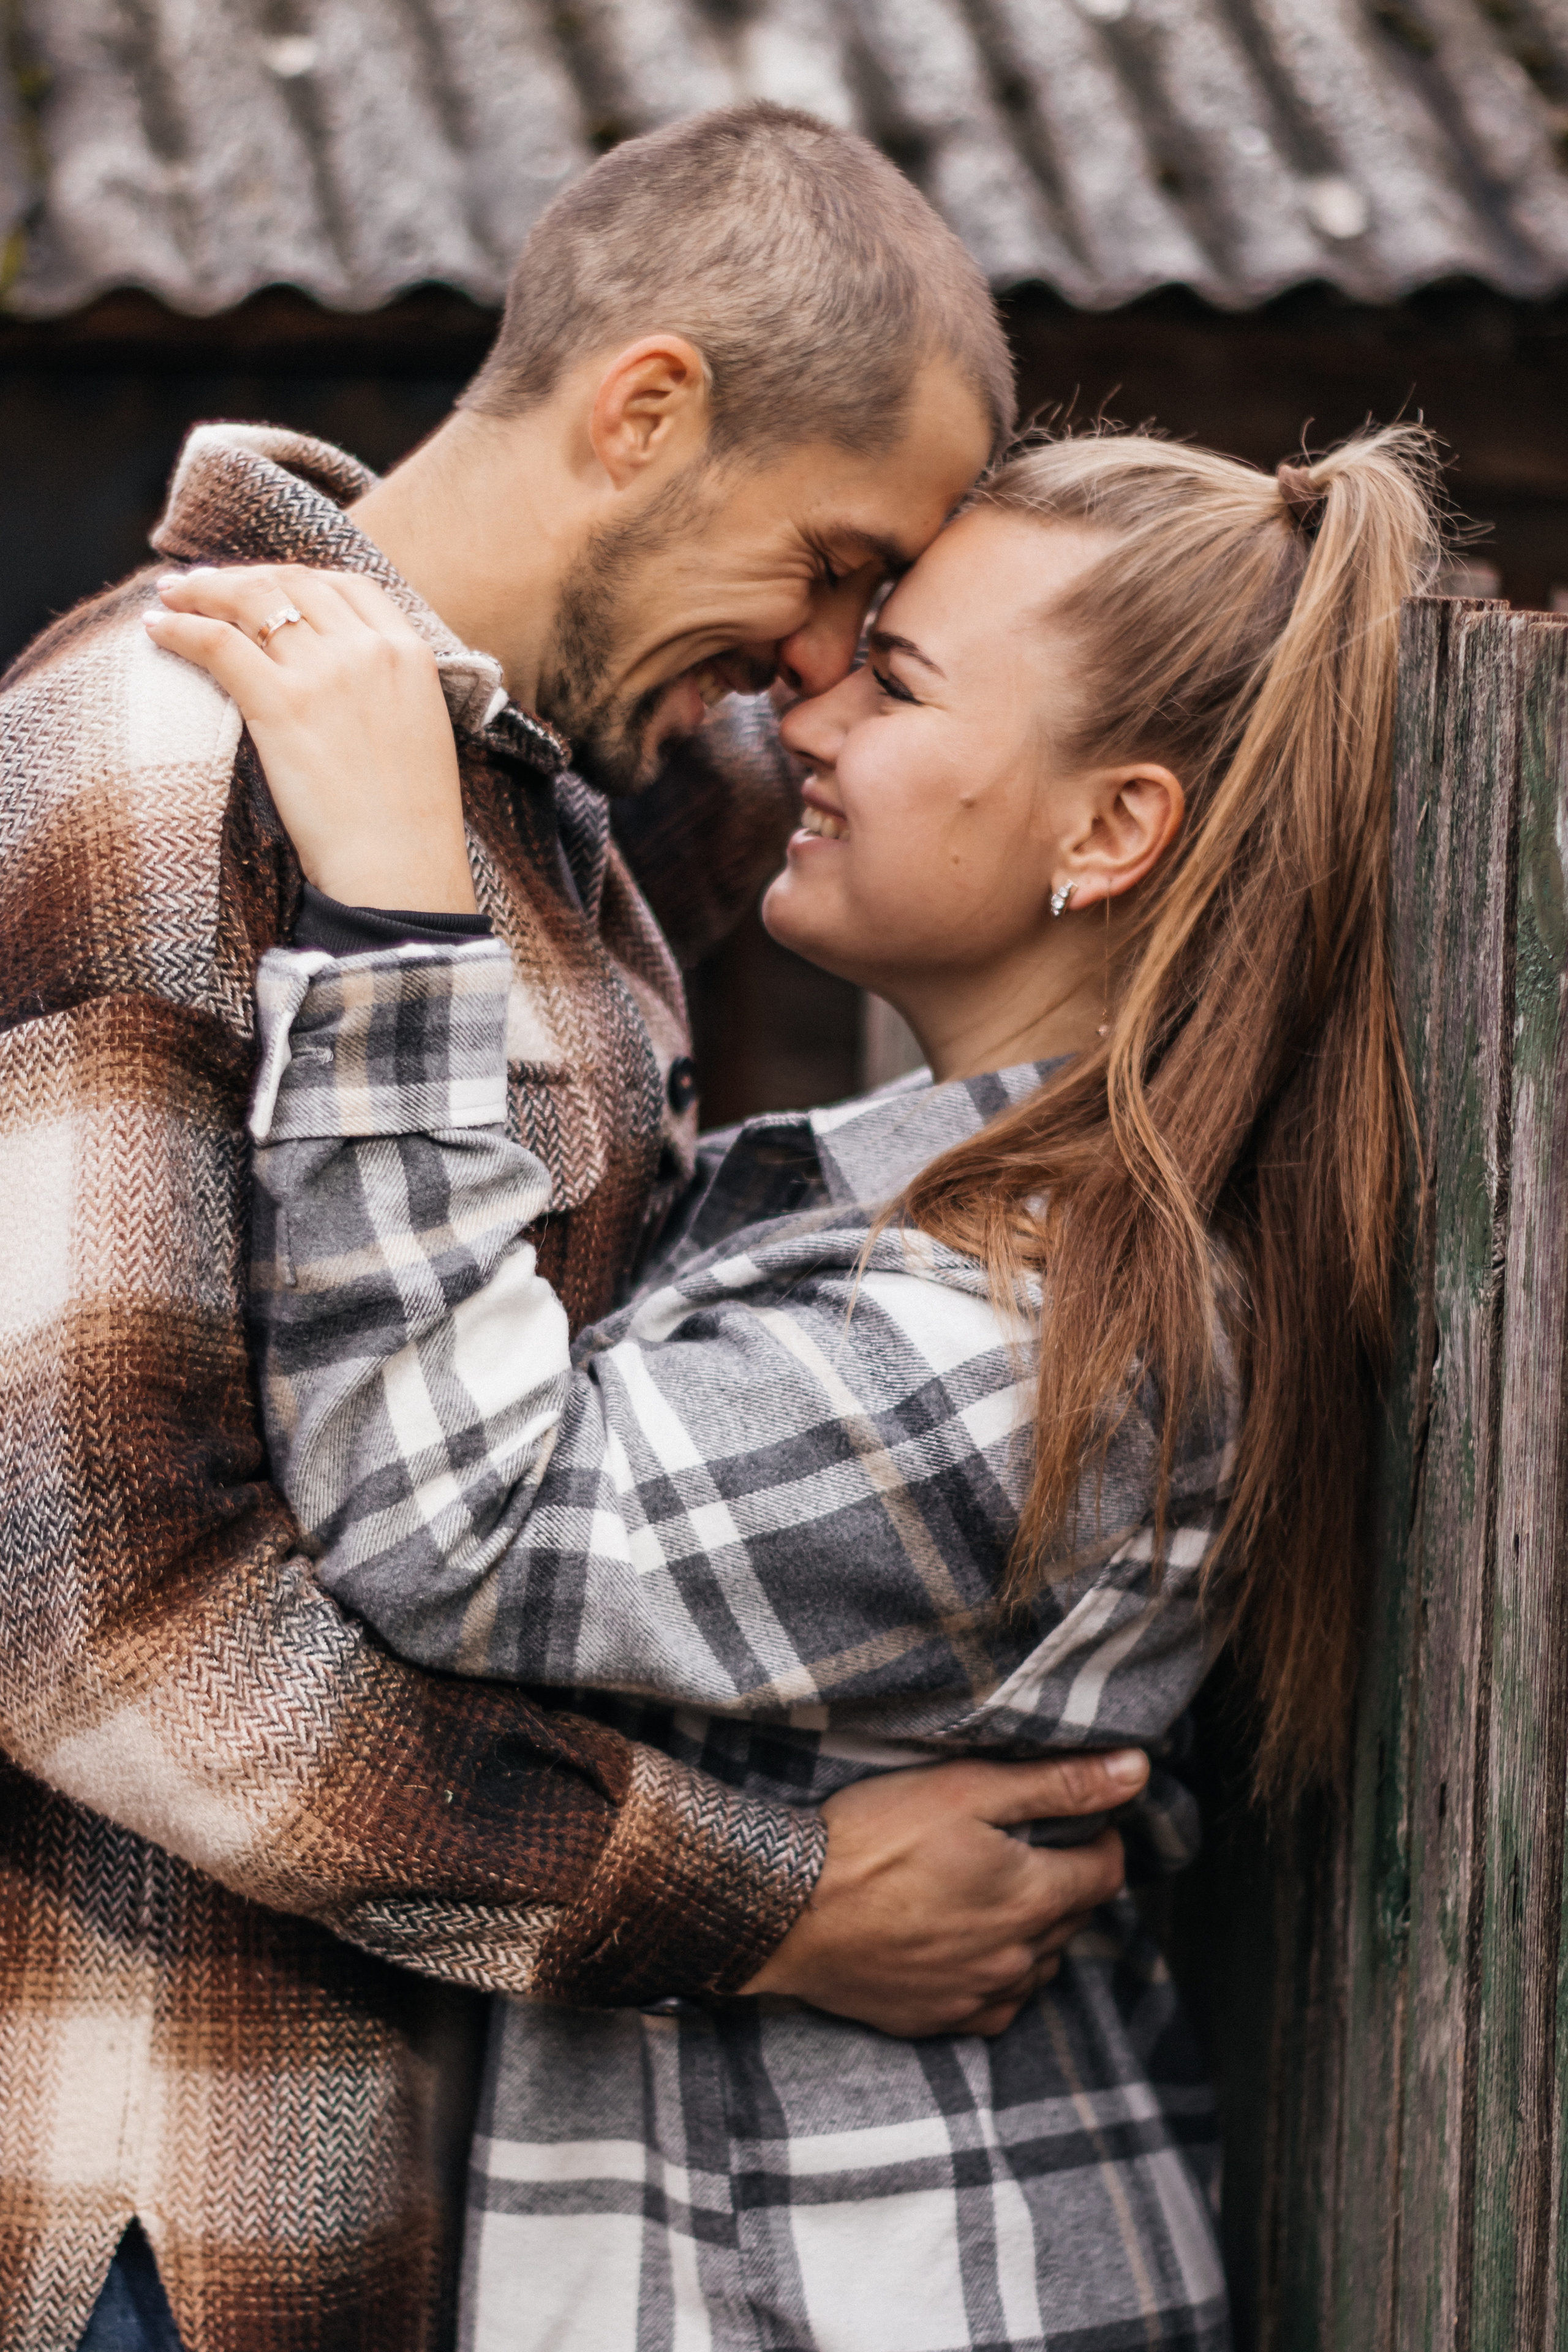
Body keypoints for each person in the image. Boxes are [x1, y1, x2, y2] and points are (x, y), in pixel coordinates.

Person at [0, 106, 1144, 2352]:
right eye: (830, 565)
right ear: (645, 413)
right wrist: (770, 1908)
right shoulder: (166, 756)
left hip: (445, 2164)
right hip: (195, 2188)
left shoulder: (555, 804)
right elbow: (99, 1622)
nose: (820, 660)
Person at [149, 420, 1441, 2350]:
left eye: (895, 676)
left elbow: (455, 1521)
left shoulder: (1030, 1335)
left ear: (1113, 830)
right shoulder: (925, 1222)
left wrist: (403, 909)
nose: (804, 713)